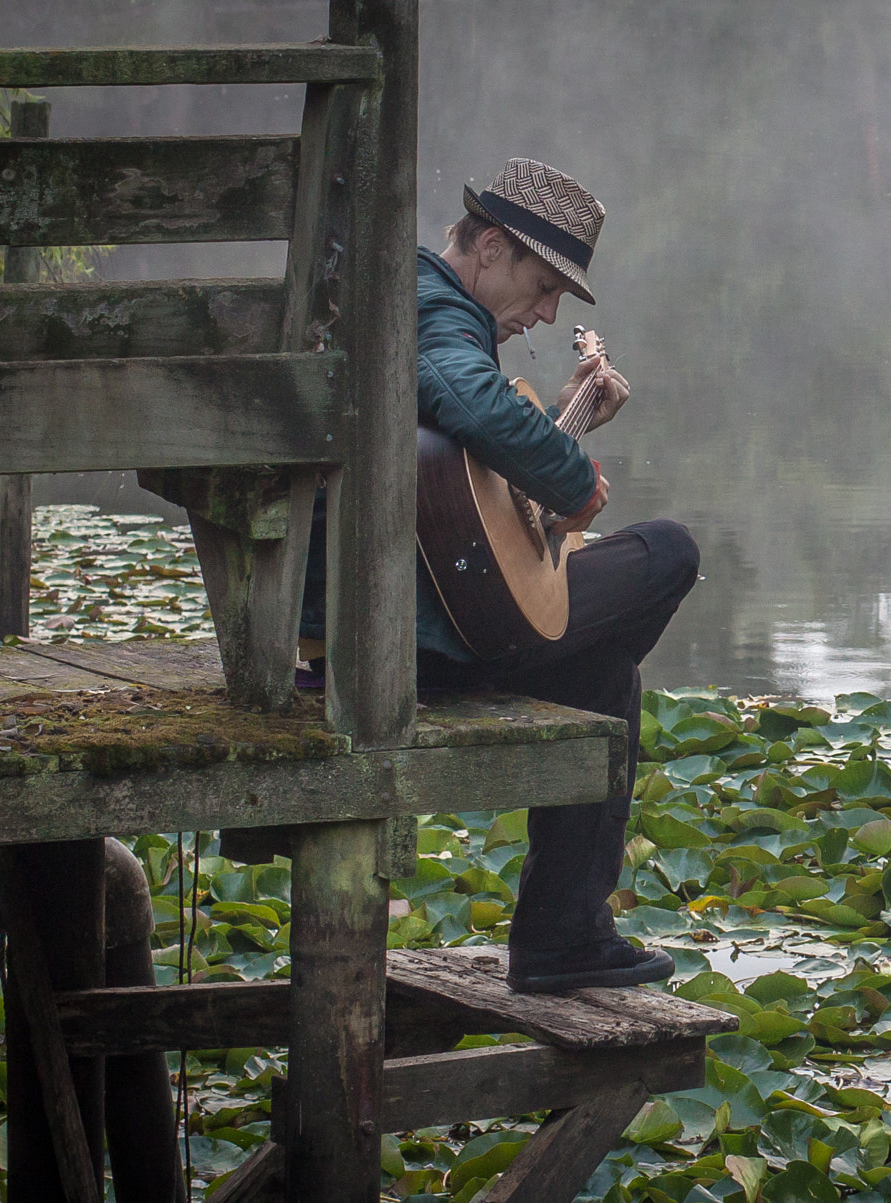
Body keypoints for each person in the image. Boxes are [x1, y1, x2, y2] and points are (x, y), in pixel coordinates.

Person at [301, 158, 695, 993]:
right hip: (407, 638)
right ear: (487, 247)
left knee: (606, 666)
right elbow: (470, 401)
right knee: (668, 553)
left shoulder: (407, 301)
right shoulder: (432, 305)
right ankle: (558, 933)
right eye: (544, 285)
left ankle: (565, 937)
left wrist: (560, 427)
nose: (548, 313)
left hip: (390, 617)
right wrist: (575, 480)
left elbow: (459, 476)